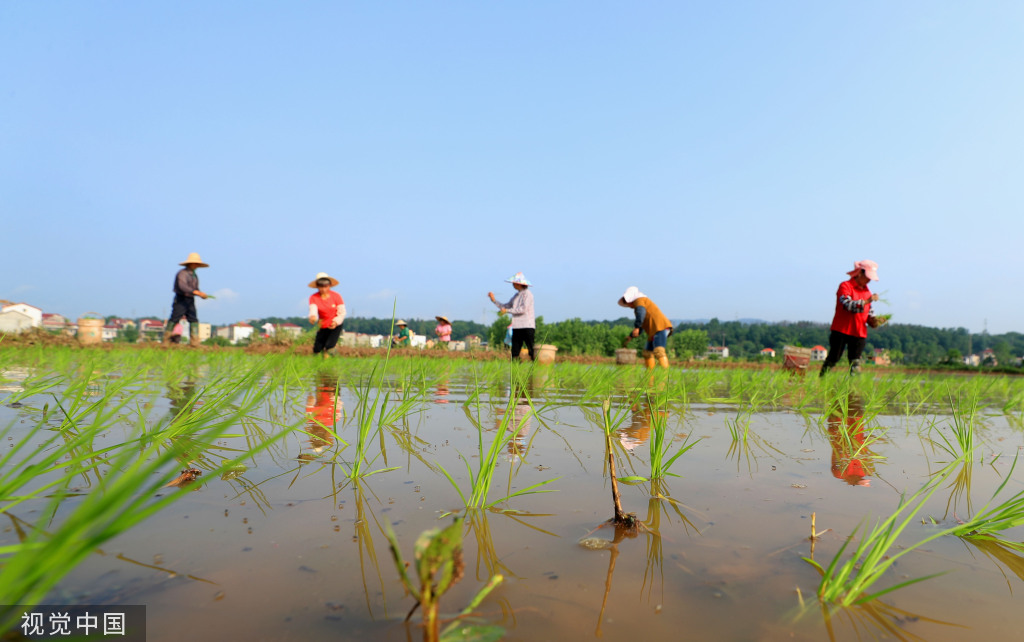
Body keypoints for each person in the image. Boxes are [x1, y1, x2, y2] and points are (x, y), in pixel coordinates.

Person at [821, 260, 879, 376]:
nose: (869, 280)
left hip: (859, 332)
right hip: (841, 330)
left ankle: (853, 388)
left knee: (855, 363)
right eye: (867, 277)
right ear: (859, 273)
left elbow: (869, 311)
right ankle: (822, 380)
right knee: (833, 358)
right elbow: (847, 305)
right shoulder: (845, 286)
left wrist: (873, 320)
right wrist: (868, 301)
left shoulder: (867, 291)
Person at [617, 286, 673, 369]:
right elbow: (642, 323)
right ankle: (649, 378)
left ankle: (665, 378)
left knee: (659, 351)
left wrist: (637, 327)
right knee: (647, 353)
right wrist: (631, 336)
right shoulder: (640, 303)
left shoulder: (639, 301)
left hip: (660, 327)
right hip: (653, 331)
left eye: (626, 301)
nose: (627, 305)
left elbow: (641, 314)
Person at [163, 252, 209, 347]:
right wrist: (195, 292)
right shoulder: (182, 273)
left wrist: (201, 294)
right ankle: (166, 341)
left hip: (190, 300)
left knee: (193, 319)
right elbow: (182, 286)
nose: (197, 265)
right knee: (175, 318)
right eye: (195, 263)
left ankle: (194, 342)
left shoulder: (194, 276)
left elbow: (196, 289)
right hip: (181, 299)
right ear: (190, 263)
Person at [488, 272, 535, 361]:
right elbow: (505, 306)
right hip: (517, 326)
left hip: (527, 325)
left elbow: (523, 309)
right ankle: (516, 369)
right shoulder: (516, 296)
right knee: (515, 351)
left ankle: (535, 367)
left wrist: (507, 311)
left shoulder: (528, 294)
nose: (513, 284)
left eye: (514, 283)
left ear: (519, 284)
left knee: (531, 349)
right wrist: (493, 300)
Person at [307, 272, 346, 357]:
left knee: (329, 347)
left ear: (329, 286)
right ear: (317, 286)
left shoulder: (336, 296)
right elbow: (313, 310)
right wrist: (313, 317)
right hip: (322, 325)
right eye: (321, 286)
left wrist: (336, 322)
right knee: (317, 349)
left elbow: (342, 312)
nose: (323, 289)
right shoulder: (313, 298)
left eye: (326, 286)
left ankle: (329, 366)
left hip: (335, 324)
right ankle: (318, 366)